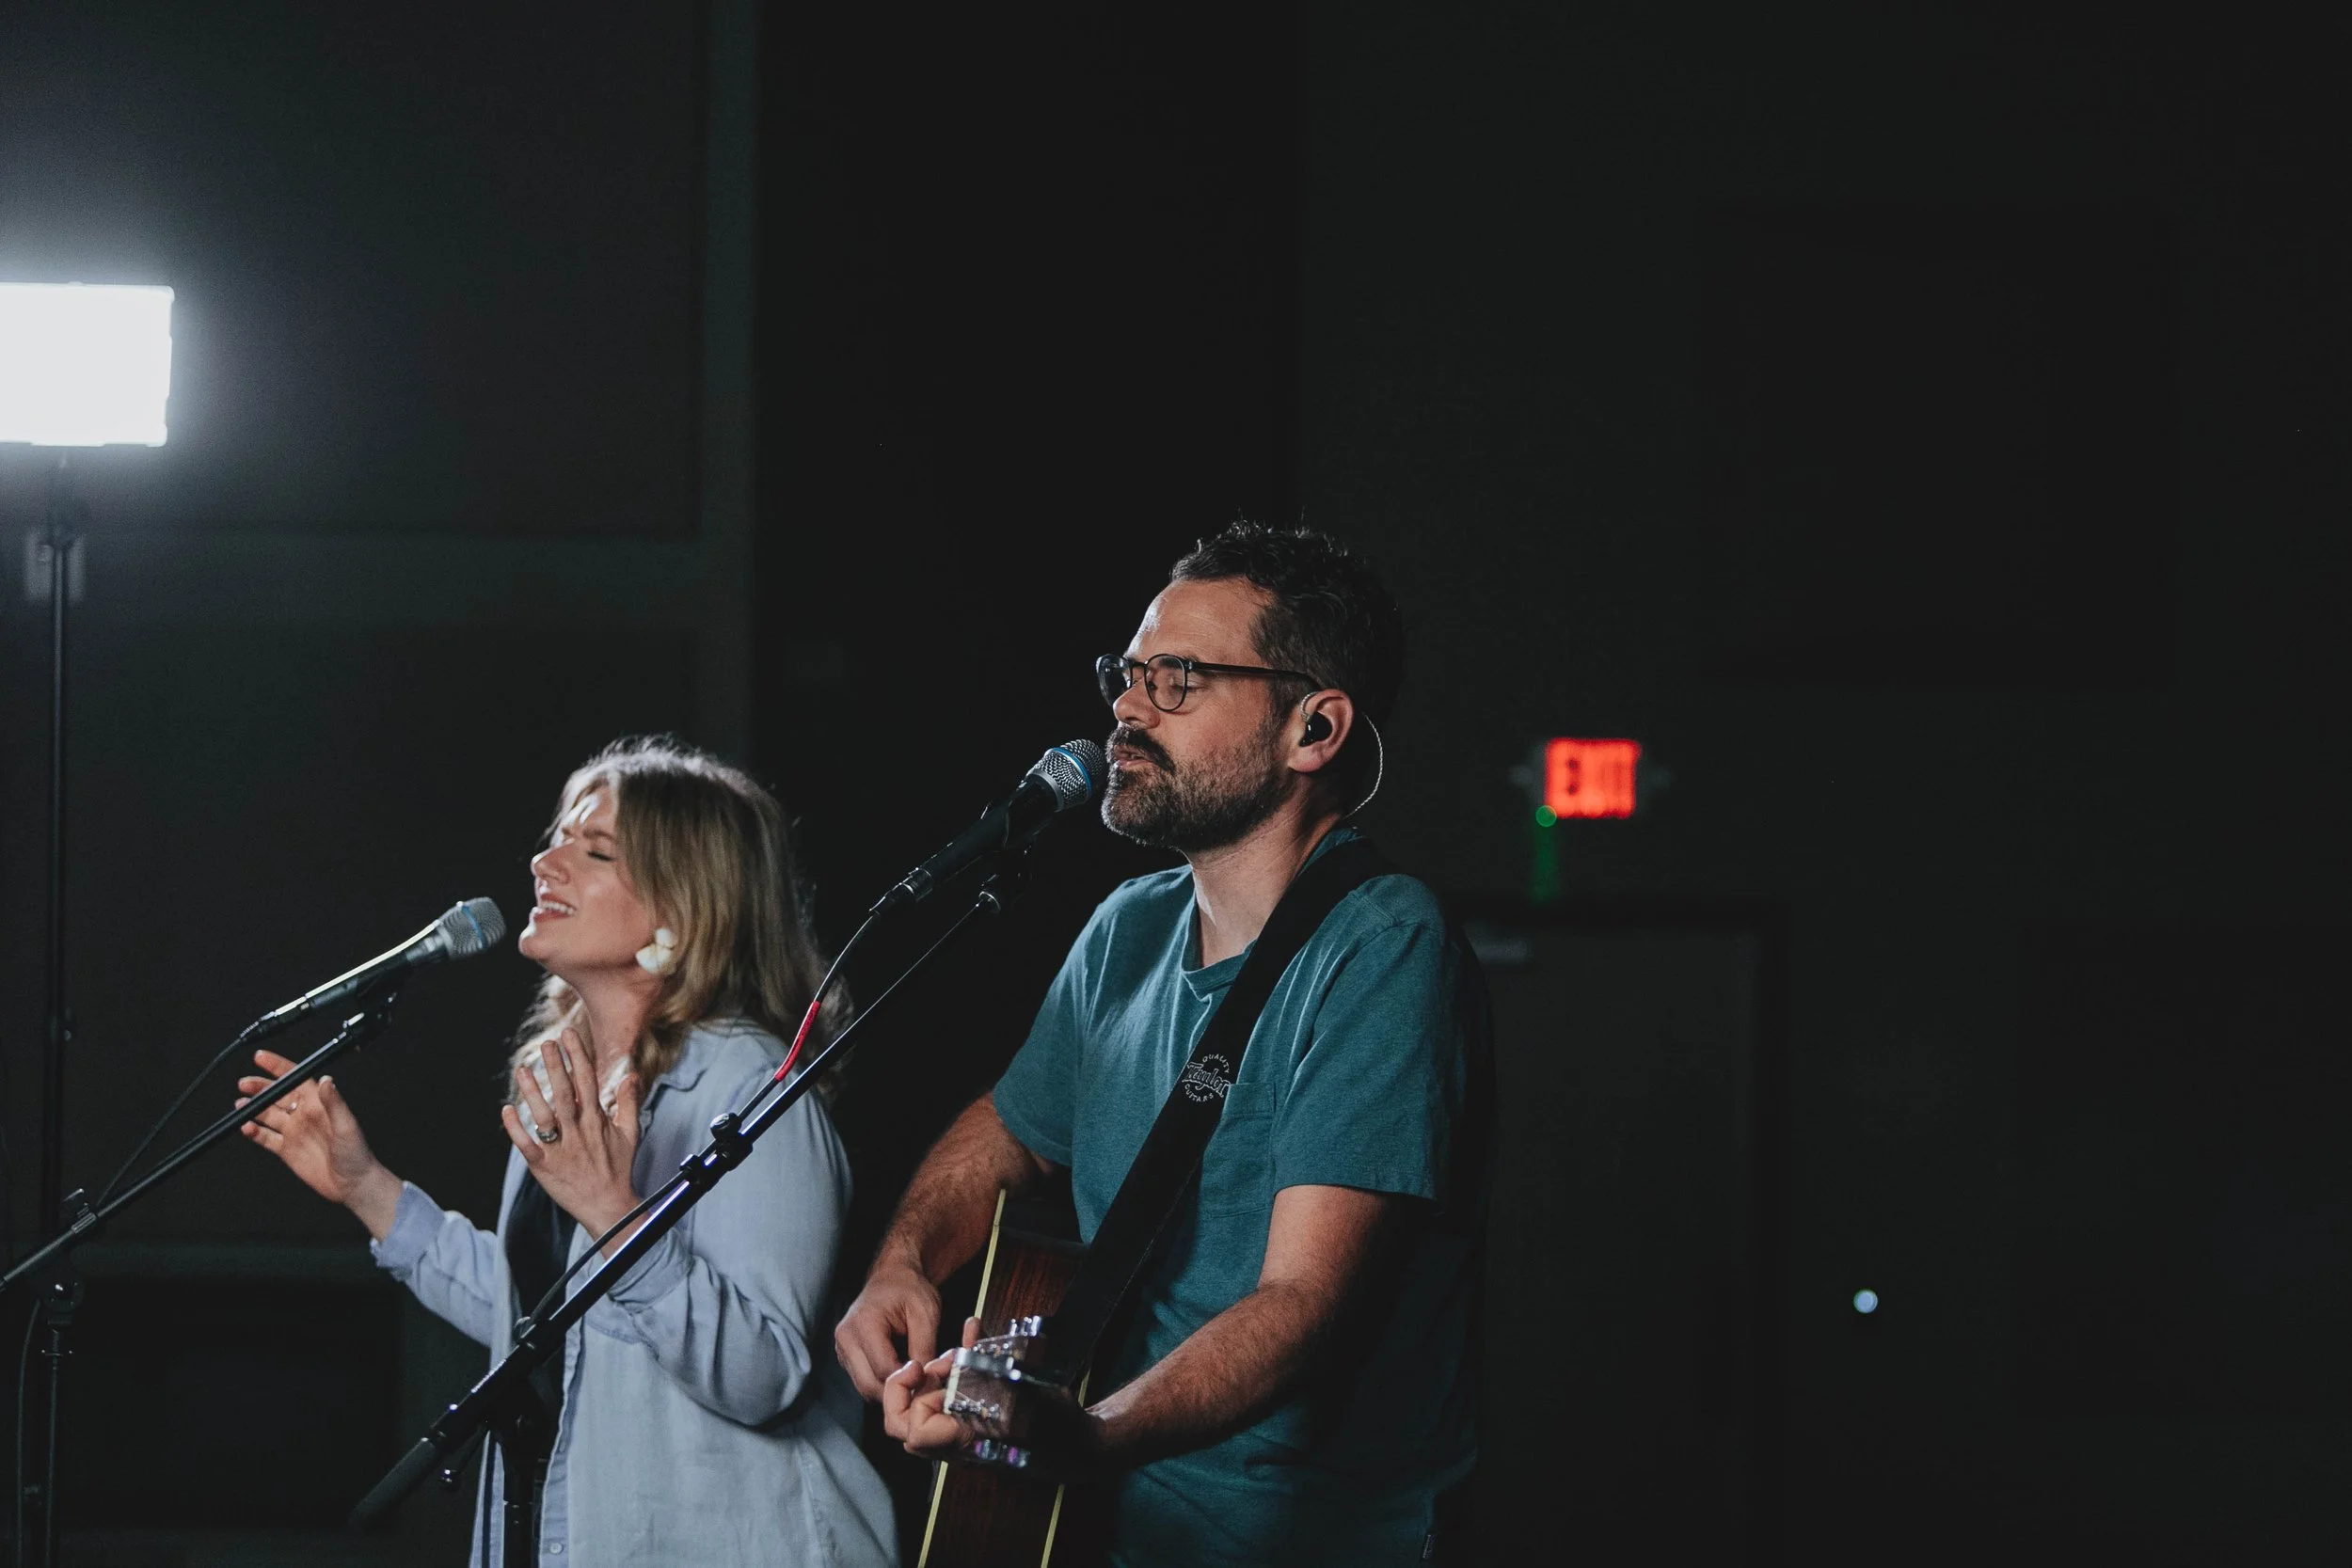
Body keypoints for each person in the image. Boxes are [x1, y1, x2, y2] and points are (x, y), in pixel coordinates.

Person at [834, 523, 1491, 1565]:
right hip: (1102, 1526)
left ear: (1312, 728)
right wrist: (902, 1262)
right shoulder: (1126, 927)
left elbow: (1306, 1300)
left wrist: (1088, 1434)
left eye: (1179, 677)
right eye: (1129, 673)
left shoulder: (1381, 946)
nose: (1126, 709)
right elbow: (1011, 1126)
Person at [238, 737, 897, 1568]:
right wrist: (366, 1187)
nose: (545, 862)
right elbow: (543, 1323)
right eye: (556, 838)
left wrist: (616, 1217)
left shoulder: (755, 1089)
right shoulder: (564, 1080)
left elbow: (762, 1373)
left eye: (594, 850)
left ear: (683, 907)